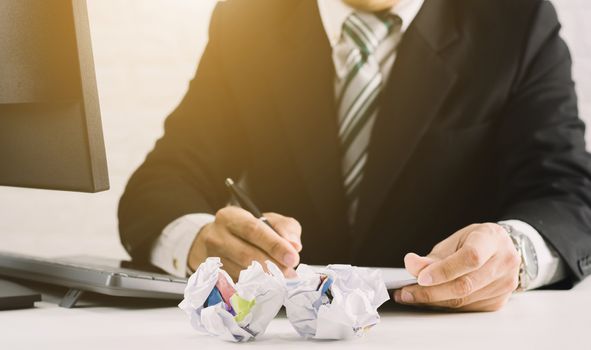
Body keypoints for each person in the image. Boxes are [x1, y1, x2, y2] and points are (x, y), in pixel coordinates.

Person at [118, 0, 591, 312]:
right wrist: (200, 241)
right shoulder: (249, 18)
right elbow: (160, 183)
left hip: (448, 334)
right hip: (285, 335)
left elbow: (568, 194)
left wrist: (516, 252)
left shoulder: (515, 18)